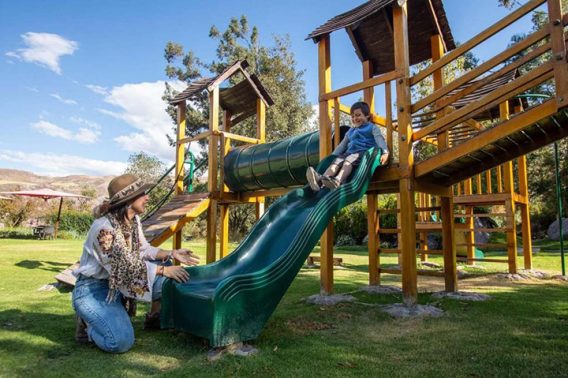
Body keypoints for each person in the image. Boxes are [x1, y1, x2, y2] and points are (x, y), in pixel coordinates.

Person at [72, 174, 200, 353]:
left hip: (116, 286)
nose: (148, 197)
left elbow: (143, 250)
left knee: (167, 264)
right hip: (94, 290)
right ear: (129, 199)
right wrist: (163, 270)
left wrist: (171, 253)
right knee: (120, 342)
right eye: (143, 194)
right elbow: (123, 266)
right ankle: (87, 325)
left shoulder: (133, 221)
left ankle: (155, 317)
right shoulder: (104, 229)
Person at [306, 101, 389, 191]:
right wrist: (332, 156)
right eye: (352, 116)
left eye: (358, 115)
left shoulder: (372, 127)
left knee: (348, 161)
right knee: (336, 162)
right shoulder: (351, 131)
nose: (355, 118)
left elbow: (379, 139)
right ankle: (321, 180)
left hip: (363, 153)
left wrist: (385, 152)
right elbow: (342, 145)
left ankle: (337, 180)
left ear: (367, 116)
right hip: (349, 153)